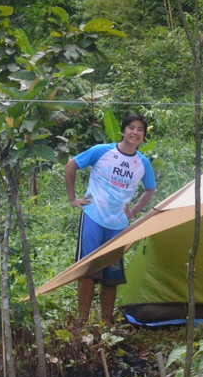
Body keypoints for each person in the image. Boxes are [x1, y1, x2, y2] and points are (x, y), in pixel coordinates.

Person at [65, 113, 157, 327]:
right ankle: (82, 322)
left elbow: (150, 189)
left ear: (143, 136)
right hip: (93, 217)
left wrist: (133, 211)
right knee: (87, 271)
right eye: (131, 128)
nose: (135, 132)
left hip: (118, 226)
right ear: (123, 131)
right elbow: (71, 166)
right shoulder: (102, 151)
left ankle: (106, 323)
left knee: (111, 276)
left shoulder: (142, 163)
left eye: (140, 129)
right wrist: (72, 198)